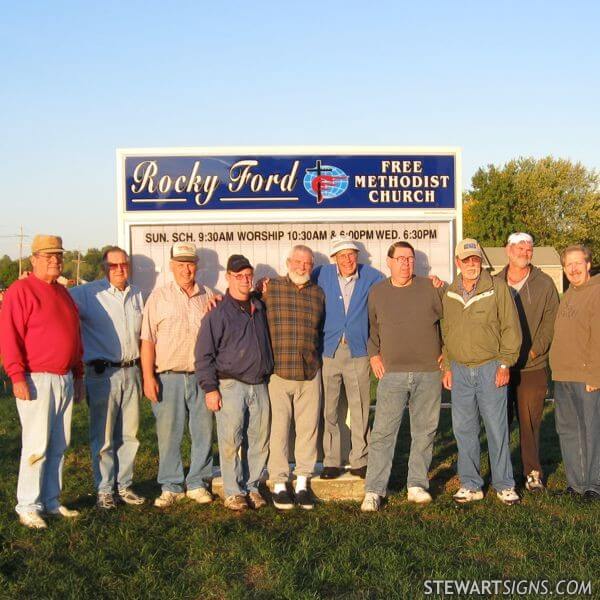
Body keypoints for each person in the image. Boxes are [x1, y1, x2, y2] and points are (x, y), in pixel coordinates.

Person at [0, 234, 83, 529]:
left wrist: (78, 374)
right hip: (36, 378)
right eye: (48, 256)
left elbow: (74, 337)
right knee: (36, 443)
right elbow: (9, 336)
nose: (55, 260)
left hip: (64, 377)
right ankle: (27, 504)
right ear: (33, 259)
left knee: (60, 443)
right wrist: (16, 375)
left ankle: (51, 500)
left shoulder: (63, 293)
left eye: (58, 256)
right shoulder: (20, 291)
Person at [361, 242, 444, 511]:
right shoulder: (377, 293)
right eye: (401, 259)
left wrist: (448, 353)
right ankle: (374, 490)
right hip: (392, 373)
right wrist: (374, 354)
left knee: (424, 431)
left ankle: (417, 484)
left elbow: (449, 322)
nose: (406, 263)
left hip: (428, 371)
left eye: (410, 259)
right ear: (389, 262)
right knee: (384, 433)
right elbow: (371, 328)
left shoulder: (430, 288)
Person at [441, 238, 522, 505]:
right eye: (466, 260)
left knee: (497, 428)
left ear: (480, 262)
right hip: (461, 371)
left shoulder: (497, 288)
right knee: (464, 430)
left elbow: (511, 328)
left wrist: (504, 363)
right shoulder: (450, 293)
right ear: (457, 263)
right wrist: (448, 366)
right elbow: (447, 332)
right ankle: (471, 484)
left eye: (475, 259)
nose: (471, 265)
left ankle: (504, 484)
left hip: (490, 368)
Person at [70, 246, 145, 509]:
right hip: (102, 373)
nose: (121, 269)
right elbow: (57, 302)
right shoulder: (88, 294)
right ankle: (104, 490)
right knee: (102, 436)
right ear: (104, 268)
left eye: (124, 264)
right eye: (114, 265)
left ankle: (124, 486)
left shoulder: (137, 294)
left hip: (131, 371)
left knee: (130, 434)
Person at [140, 242, 214, 508]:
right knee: (169, 433)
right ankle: (170, 485)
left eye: (190, 263)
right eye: (181, 263)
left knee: (203, 430)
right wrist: (148, 377)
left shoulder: (210, 296)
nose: (186, 269)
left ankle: (197, 482)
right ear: (171, 266)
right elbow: (147, 340)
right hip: (167, 376)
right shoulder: (158, 297)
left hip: (202, 376)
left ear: (197, 265)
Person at [196, 255, 273, 511]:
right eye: (238, 276)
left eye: (248, 275)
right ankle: (233, 491)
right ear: (228, 277)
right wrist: (210, 388)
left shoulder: (259, 307)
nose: (244, 280)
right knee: (231, 440)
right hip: (230, 385)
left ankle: (252, 487)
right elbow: (204, 354)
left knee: (259, 439)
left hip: (259, 384)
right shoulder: (217, 312)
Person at [313, 236, 384, 480]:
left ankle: (360, 459)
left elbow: (393, 290)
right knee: (329, 409)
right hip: (329, 350)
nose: (348, 260)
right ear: (334, 259)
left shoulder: (372, 277)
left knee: (360, 408)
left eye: (352, 254)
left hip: (358, 351)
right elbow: (297, 284)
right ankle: (331, 461)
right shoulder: (321, 274)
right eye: (342, 256)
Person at [264, 245, 325, 510]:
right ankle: (278, 483)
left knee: (308, 430)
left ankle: (301, 483)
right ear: (288, 262)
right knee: (278, 431)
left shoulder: (318, 294)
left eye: (308, 264)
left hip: (309, 372)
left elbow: (322, 330)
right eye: (298, 262)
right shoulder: (270, 288)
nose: (302, 267)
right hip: (278, 372)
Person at [498, 232, 559, 492]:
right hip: (500, 367)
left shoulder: (544, 283)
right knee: (499, 421)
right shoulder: (494, 282)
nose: (525, 252)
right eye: (520, 248)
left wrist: (533, 352)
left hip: (532, 367)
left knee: (530, 422)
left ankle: (533, 473)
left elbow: (551, 323)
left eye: (529, 248)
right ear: (508, 250)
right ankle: (501, 474)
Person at [550, 244, 600, 501]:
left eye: (578, 263)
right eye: (568, 264)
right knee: (568, 430)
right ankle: (576, 483)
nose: (573, 268)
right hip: (563, 375)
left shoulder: (596, 292)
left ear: (588, 264)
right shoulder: (569, 294)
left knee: (591, 430)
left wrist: (594, 375)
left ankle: (594, 484)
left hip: (586, 376)